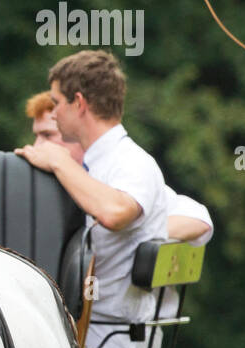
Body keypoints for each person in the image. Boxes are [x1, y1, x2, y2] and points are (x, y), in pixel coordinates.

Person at [14, 50, 168, 348]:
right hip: (85, 331)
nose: (53, 114)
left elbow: (115, 212)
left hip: (113, 338)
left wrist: (57, 161)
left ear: (79, 103)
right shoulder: (95, 163)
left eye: (57, 103)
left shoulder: (132, 162)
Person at [24, 90, 214, 246]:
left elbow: (198, 219)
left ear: (74, 131)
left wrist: (129, 232)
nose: (37, 146)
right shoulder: (31, 181)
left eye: (47, 135)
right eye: (37, 136)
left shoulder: (111, 177)